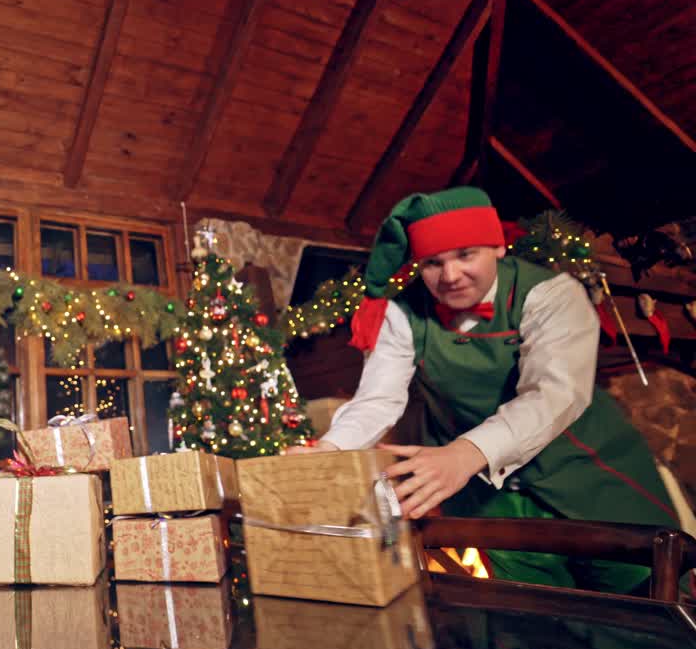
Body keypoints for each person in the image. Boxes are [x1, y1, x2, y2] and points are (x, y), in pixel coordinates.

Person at [286, 187, 681, 594]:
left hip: (590, 478)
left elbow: (553, 393)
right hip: (490, 502)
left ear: (497, 245)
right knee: (532, 622)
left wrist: (465, 453)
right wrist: (329, 451)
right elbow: (378, 398)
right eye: (433, 263)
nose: (451, 275)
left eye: (465, 255)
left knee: (644, 607)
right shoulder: (402, 313)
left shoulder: (552, 294)